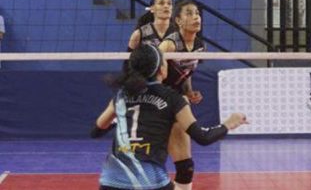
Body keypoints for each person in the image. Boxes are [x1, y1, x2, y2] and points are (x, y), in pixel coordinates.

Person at [92, 45, 247, 190]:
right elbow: (203, 137)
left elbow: (96, 131)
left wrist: (119, 119)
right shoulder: (173, 98)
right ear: (161, 70)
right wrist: (229, 123)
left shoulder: (122, 95)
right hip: (150, 183)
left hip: (110, 183)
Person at [157, 0, 207, 190]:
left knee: (185, 168)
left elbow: (186, 72)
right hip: (159, 102)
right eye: (189, 13)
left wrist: (189, 91)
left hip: (178, 101)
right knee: (150, 166)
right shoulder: (168, 45)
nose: (196, 17)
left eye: (197, 13)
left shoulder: (200, 46)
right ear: (178, 20)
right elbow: (152, 77)